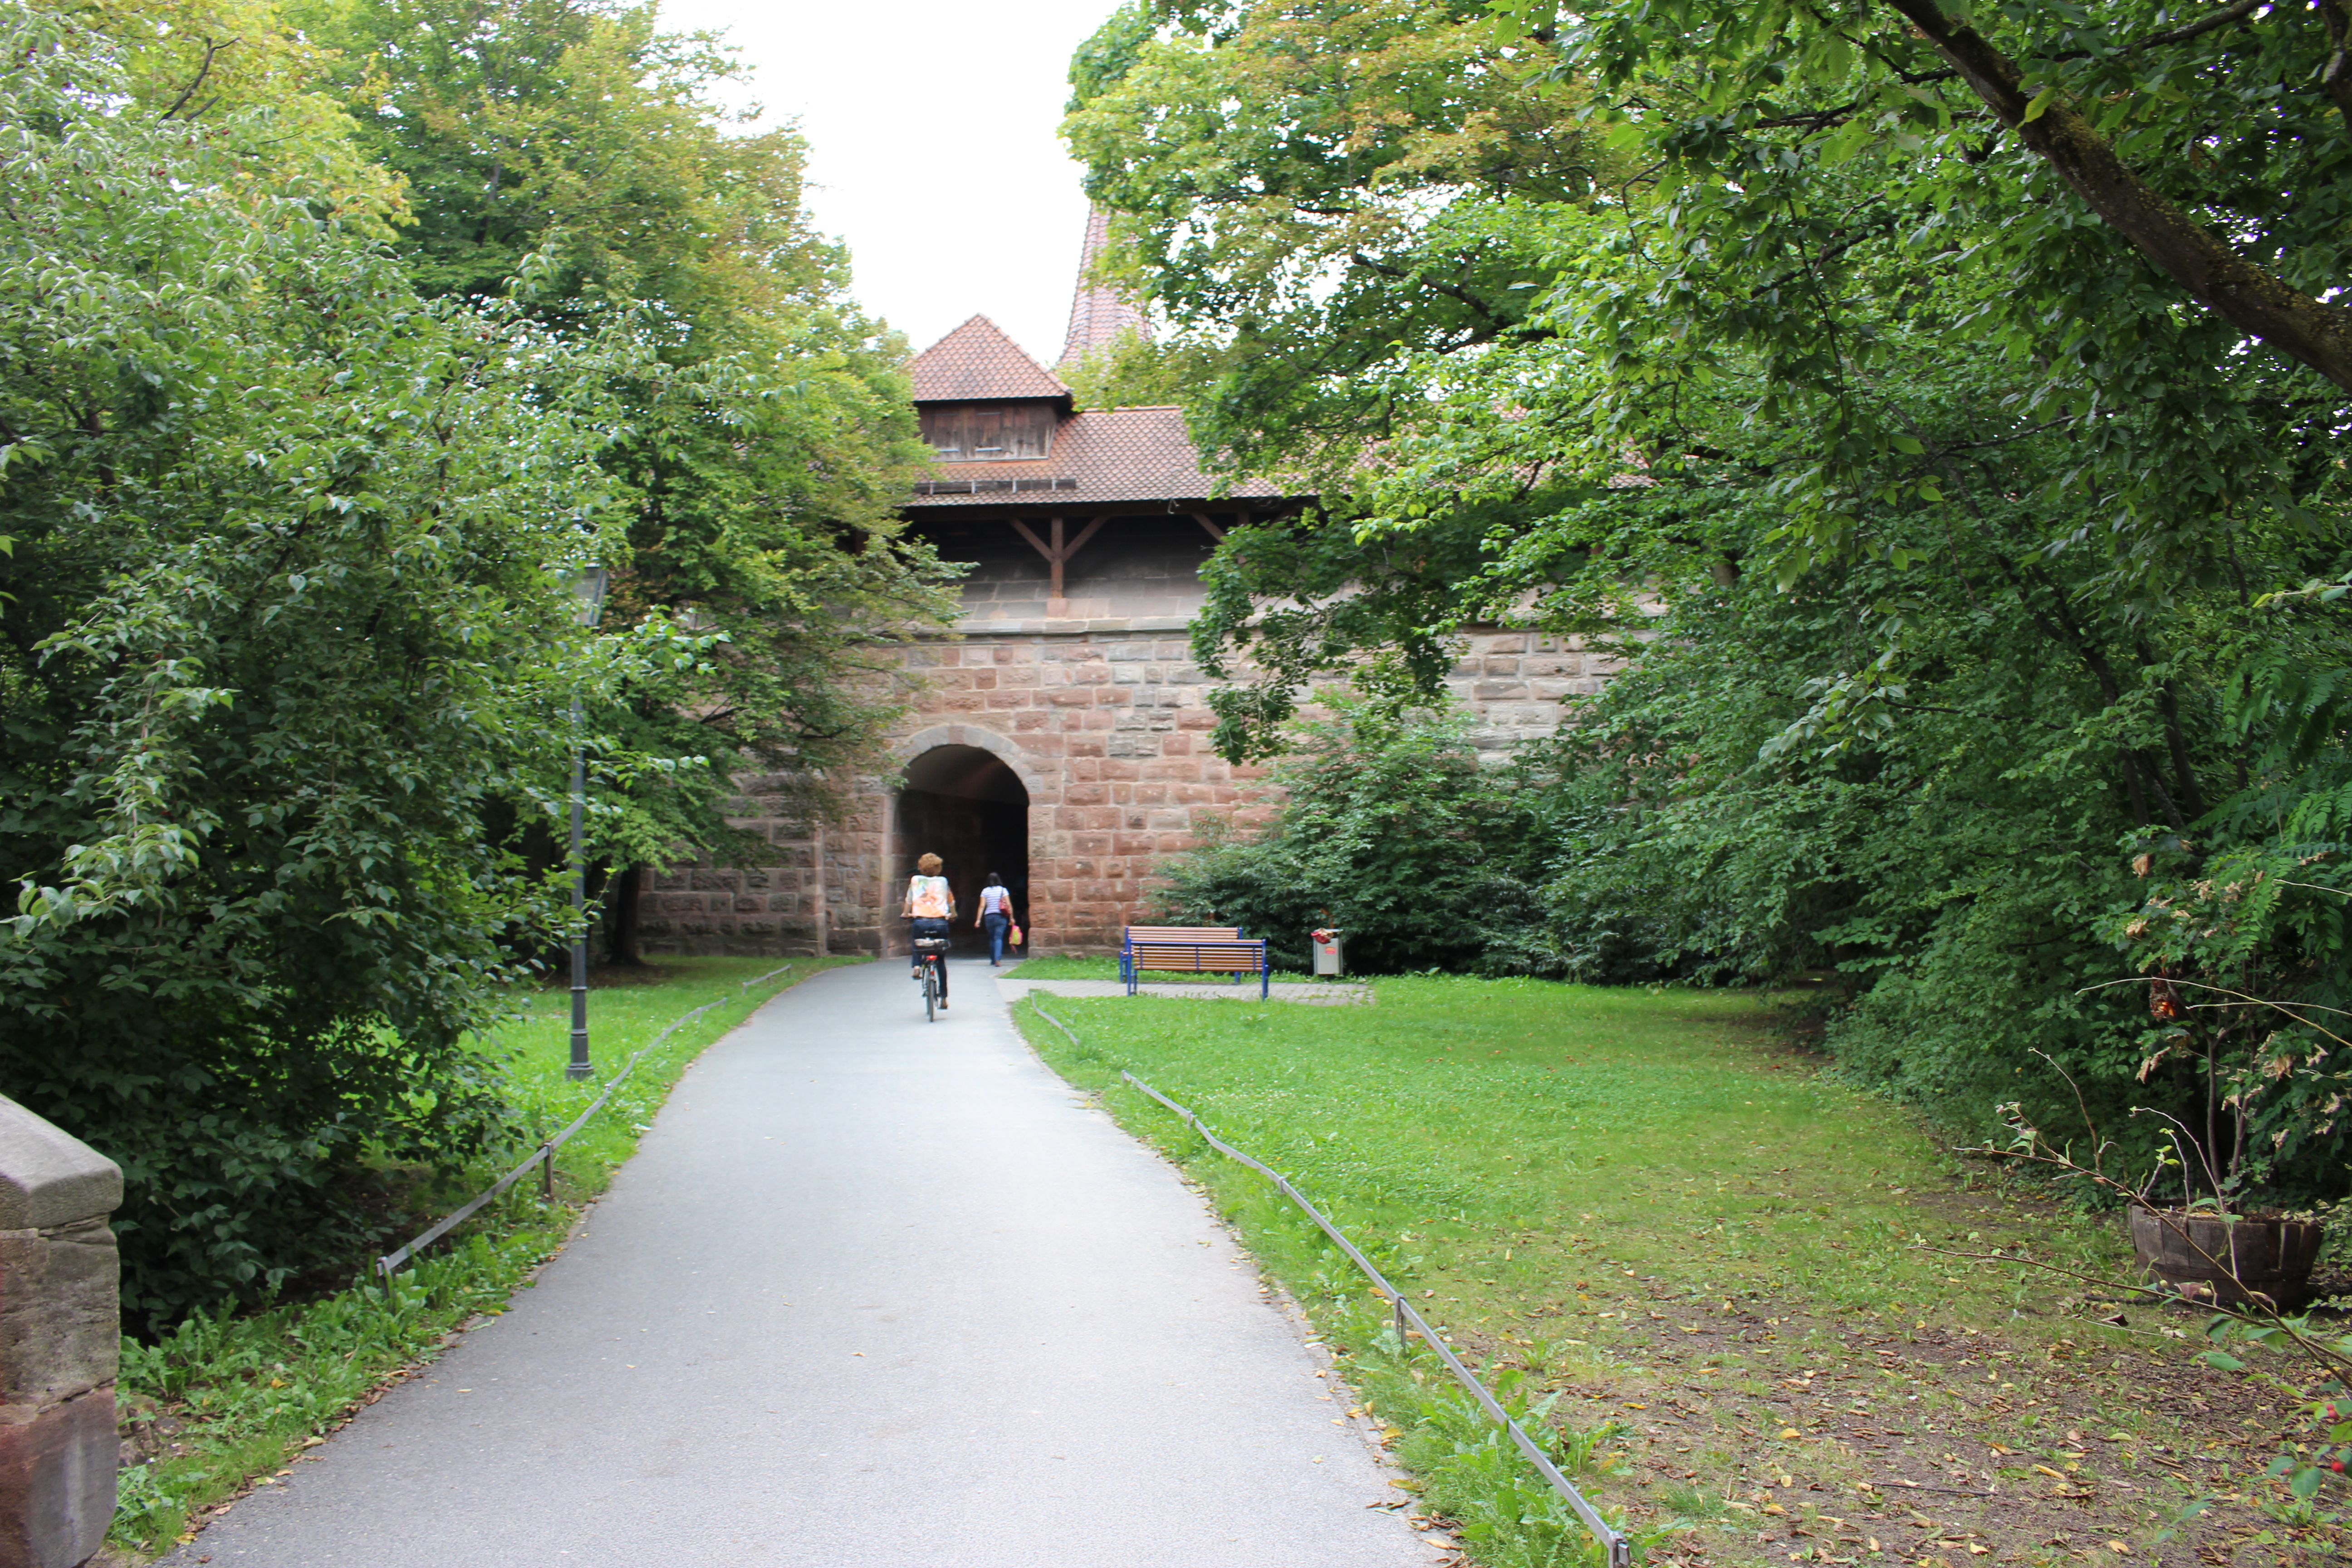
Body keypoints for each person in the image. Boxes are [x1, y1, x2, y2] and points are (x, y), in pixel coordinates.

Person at [903, 852, 955, 1008]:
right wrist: (953, 914)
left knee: (917, 942)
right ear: (938, 868)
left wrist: (906, 914)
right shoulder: (943, 882)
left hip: (921, 921)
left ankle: (917, 966)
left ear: (921, 867)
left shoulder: (915, 881)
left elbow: (909, 901)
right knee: (940, 960)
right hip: (940, 922)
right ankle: (944, 998)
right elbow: (951, 901)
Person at [977, 872, 1014, 965]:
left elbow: (982, 906)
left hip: (989, 917)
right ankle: (998, 959)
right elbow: (1009, 905)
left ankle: (993, 959)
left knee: (992, 938)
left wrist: (978, 920)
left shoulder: (985, 891)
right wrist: (1012, 918)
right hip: (1000, 917)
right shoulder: (1003, 890)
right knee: (998, 938)